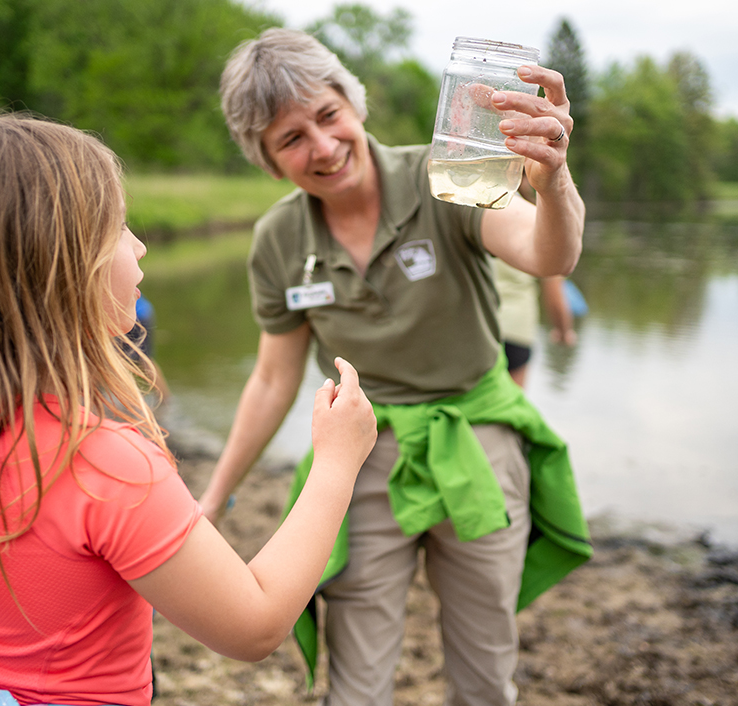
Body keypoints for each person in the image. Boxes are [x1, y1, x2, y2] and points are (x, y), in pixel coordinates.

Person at [0, 115, 377, 706]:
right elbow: (255, 624)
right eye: (119, 228)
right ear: (61, 268)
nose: (140, 245)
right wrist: (336, 461)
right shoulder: (103, 466)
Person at [199, 28, 591, 706]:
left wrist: (553, 181)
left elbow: (549, 255)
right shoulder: (278, 239)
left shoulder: (449, 175)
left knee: (484, 671)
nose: (322, 147)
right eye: (291, 139)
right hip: (360, 459)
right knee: (356, 681)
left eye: (328, 116)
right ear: (267, 159)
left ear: (354, 104)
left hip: (477, 440)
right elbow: (271, 379)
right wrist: (213, 497)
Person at [494, 260, 576, 388]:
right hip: (516, 329)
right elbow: (554, 293)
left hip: (478, 324)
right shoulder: (537, 240)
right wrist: (564, 332)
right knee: (512, 403)